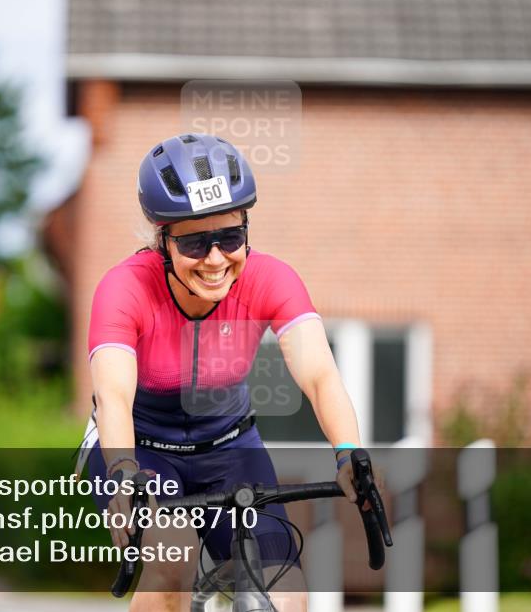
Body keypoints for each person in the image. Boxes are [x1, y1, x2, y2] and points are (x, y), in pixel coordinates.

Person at [79, 133, 368, 611]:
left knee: (287, 594)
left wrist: (348, 455)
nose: (215, 260)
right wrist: (123, 473)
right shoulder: (123, 289)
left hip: (230, 447)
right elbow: (112, 397)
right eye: (194, 242)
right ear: (161, 240)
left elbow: (320, 377)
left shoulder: (270, 279)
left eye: (230, 238)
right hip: (142, 451)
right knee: (173, 560)